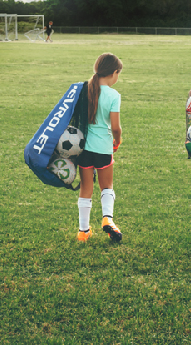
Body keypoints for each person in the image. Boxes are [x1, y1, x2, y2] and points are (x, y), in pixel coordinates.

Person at [76, 53, 124, 243]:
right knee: (107, 186)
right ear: (114, 73)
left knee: (86, 188)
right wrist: (118, 139)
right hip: (103, 148)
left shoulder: (84, 90)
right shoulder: (113, 95)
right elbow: (115, 127)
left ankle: (83, 231)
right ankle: (107, 218)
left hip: (83, 148)